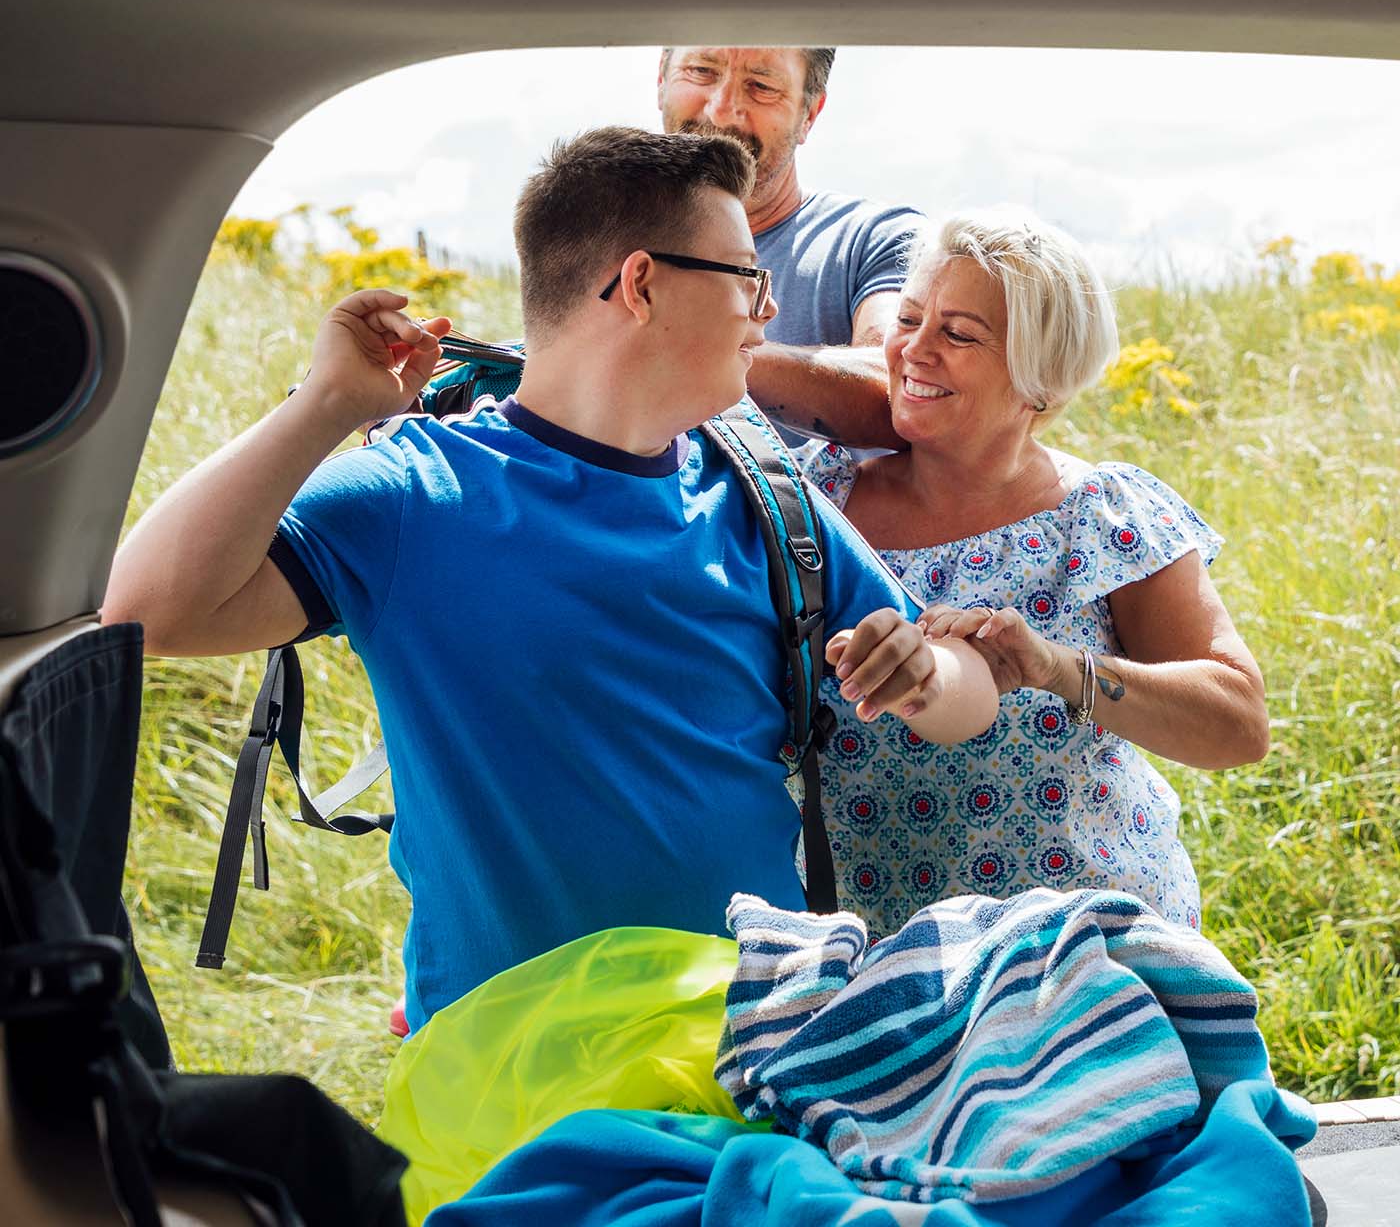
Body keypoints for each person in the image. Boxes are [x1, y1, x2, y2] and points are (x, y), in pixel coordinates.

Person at [101, 127, 997, 1035]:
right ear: (641, 284)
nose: (764, 314)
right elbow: (146, 613)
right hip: (506, 1065)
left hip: (754, 1041)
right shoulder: (417, 492)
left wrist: (925, 673)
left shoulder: (764, 499)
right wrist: (325, 406)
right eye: (745, 278)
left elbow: (971, 698)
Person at [796, 208, 1270, 937]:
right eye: (911, 319)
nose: (912, 351)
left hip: (1087, 958)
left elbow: (1237, 723)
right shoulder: (812, 499)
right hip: (874, 961)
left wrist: (1056, 668)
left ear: (1041, 377)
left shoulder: (1104, 515)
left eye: (958, 334)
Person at [658, 46, 920, 447]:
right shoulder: (601, 239)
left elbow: (899, 388)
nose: (721, 111)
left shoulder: (877, 240)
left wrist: (698, 353)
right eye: (700, 71)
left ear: (809, 114)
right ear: (661, 79)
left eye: (761, 86)